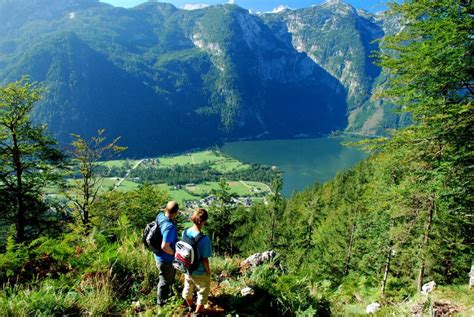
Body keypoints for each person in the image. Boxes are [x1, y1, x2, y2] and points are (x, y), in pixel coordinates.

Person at [182, 208, 212, 314]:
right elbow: (205, 259)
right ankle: (197, 313)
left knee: (188, 288)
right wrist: (208, 271)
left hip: (187, 268)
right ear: (203, 221)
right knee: (203, 291)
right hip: (199, 271)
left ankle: (191, 307)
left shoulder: (185, 233)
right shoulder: (204, 239)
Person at [155, 201, 179, 306]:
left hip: (158, 255)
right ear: (176, 213)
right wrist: (175, 254)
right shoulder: (169, 226)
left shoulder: (160, 216)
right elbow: (164, 246)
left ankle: (168, 297)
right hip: (166, 259)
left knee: (166, 279)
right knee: (164, 282)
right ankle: (161, 305)